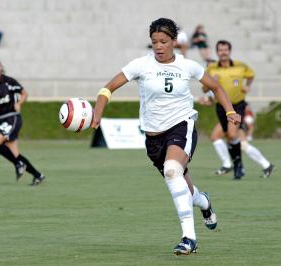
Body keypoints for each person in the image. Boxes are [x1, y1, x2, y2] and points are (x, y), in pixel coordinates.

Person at [91, 18, 241, 255]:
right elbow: (107, 88)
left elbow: (216, 87)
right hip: (153, 138)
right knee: (184, 187)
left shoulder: (187, 66)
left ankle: (189, 238)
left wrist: (231, 111)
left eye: (163, 41)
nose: (158, 46)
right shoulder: (141, 65)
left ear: (174, 42)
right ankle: (204, 202)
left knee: (172, 170)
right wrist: (97, 113)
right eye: (154, 42)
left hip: (182, 126)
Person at [202, 40, 274, 179]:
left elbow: (251, 75)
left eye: (226, 50)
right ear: (217, 52)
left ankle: (236, 166)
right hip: (221, 107)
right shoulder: (212, 69)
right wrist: (212, 82)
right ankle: (264, 165)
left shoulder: (240, 66)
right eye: (220, 50)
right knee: (221, 138)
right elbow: (205, 88)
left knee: (232, 135)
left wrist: (248, 86)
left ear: (230, 51)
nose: (223, 52)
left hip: (237, 106)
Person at [0, 57, 45, 185]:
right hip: (2, 120)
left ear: (0, 67)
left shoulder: (9, 81)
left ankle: (18, 164)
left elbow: (24, 93)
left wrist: (20, 103)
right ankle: (37, 175)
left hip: (13, 117)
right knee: (15, 154)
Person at [200, 91, 274, 178]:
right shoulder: (213, 84)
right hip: (226, 115)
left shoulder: (221, 80)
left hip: (235, 113)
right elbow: (215, 100)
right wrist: (206, 102)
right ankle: (228, 164)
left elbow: (234, 97)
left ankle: (266, 165)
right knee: (216, 137)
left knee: (240, 143)